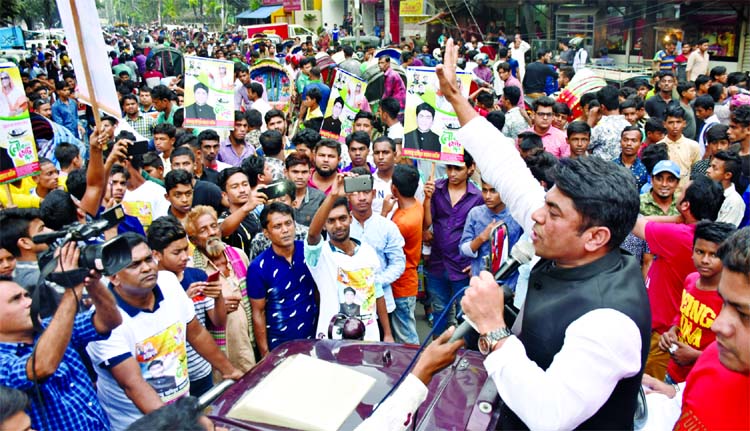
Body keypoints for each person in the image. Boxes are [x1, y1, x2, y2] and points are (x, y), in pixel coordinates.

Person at [435, 38, 652, 429]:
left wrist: (493, 327)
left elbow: (550, 414)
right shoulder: (569, 236)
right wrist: (456, 98)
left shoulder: (610, 319)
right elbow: (508, 170)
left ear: (596, 237)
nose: (536, 216)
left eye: (551, 211)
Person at [86, 233, 241, 430]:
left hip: (180, 413)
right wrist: (182, 426)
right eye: (135, 265)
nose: (147, 268)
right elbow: (132, 384)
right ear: (114, 277)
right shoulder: (104, 320)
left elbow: (196, 333)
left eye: (148, 259)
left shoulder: (168, 283)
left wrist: (230, 370)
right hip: (141, 423)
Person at [0, 242, 122, 430]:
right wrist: (72, 290)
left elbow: (109, 321)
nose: (29, 302)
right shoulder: (2, 361)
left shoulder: (52, 326)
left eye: (26, 295)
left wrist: (92, 283)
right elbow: (41, 367)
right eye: (16, 299)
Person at [640, 227, 750, 431]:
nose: (717, 326)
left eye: (744, 314)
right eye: (724, 303)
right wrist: (675, 393)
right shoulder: (716, 356)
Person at [631, 175, 725, 380]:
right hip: (674, 327)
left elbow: (635, 223)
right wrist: (679, 216)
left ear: (686, 205)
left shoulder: (680, 235)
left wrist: (677, 218)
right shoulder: (705, 238)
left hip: (663, 334)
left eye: (681, 192)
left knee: (650, 389)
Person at [304, 174, 393, 342]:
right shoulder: (320, 254)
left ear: (350, 219)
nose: (338, 225)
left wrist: (387, 333)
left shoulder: (367, 251)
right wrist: (333, 195)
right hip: (333, 339)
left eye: (342, 218)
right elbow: (312, 235)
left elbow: (377, 292)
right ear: (324, 224)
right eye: (331, 221)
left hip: (369, 336)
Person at [147, 216, 226, 397]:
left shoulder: (197, 276)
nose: (185, 257)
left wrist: (218, 296)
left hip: (202, 371)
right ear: (156, 254)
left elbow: (218, 321)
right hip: (171, 380)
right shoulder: (150, 288)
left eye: (185, 249)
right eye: (176, 253)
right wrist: (184, 301)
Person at [658, 221, 736, 384]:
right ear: (692, 251)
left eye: (714, 255)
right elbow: (682, 314)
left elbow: (733, 351)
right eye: (700, 251)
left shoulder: (729, 299)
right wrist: (672, 331)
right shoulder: (690, 280)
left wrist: (695, 356)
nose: (705, 260)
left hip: (702, 377)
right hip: (674, 371)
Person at [185, 206, 256, 375]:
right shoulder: (192, 270)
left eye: (214, 226)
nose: (211, 233)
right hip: (218, 356)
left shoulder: (239, 255)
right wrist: (218, 306)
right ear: (193, 240)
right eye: (203, 230)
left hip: (248, 346)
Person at [423, 151, 484, 335]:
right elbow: (427, 224)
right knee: (440, 311)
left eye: (457, 168)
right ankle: (437, 355)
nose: (452, 173)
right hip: (437, 262)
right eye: (449, 168)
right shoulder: (436, 189)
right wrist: (427, 199)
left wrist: (476, 263)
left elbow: (481, 233)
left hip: (463, 265)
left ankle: (463, 355)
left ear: (471, 168)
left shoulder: (478, 197)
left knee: (464, 315)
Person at [248, 202, 318, 357]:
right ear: (266, 233)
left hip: (314, 340)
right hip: (280, 346)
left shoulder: (308, 252)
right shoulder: (258, 267)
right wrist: (265, 354)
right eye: (277, 226)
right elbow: (258, 312)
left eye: (288, 223)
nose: (285, 230)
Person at [459, 177, 523, 281]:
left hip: (509, 282)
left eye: (493, 191)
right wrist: (481, 238)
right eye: (484, 190)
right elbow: (463, 250)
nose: (487, 196)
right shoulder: (475, 214)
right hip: (481, 280)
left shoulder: (516, 216)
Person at [217, 167, 266, 257]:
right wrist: (247, 207)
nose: (242, 190)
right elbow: (222, 230)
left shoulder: (254, 215)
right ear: (225, 195)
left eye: (245, 184)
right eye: (235, 187)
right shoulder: (224, 218)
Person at [659, 106, 701, 193]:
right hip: (664, 194)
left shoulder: (693, 146)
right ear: (664, 124)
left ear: (684, 123)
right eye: (671, 122)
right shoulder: (658, 147)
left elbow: (697, 173)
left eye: (678, 122)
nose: (675, 126)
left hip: (685, 195)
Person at [588, 86, 632, 160]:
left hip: (600, 168)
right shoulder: (628, 125)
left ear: (602, 107)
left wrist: (590, 120)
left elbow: (584, 144)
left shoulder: (601, 128)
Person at [285, 151, 325, 226]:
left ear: (310, 173)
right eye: (295, 172)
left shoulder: (319, 197)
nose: (300, 177)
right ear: (286, 172)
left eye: (304, 172)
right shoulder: (278, 198)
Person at [707, 150, 746, 226]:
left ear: (727, 175)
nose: (708, 170)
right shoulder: (706, 191)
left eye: (714, 168)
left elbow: (722, 233)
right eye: (710, 166)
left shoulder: (734, 202)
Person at [613, 126, 649, 190]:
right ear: (620, 142)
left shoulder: (645, 168)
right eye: (625, 140)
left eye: (634, 140)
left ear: (640, 144)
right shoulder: (611, 166)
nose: (629, 143)